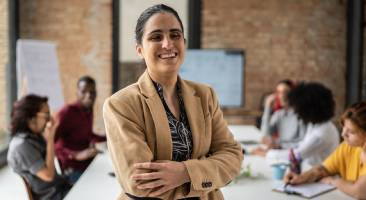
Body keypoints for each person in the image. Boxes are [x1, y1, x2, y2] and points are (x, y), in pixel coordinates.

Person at [103, 4, 243, 200]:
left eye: (175, 35)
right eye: (156, 37)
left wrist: (185, 172)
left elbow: (232, 156)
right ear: (140, 50)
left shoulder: (205, 95)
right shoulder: (121, 105)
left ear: (184, 43)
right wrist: (209, 175)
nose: (168, 44)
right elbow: (140, 184)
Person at [284, 98, 366, 199]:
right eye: (344, 127)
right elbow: (322, 170)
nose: (343, 134)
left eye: (351, 132)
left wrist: (333, 181)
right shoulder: (349, 146)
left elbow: (361, 192)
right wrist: (300, 178)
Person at [254, 82, 340, 166]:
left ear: (310, 108)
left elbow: (297, 155)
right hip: (309, 170)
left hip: (318, 176)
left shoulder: (321, 134)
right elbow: (302, 145)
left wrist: (268, 153)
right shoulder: (315, 125)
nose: (297, 112)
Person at [7, 94, 70, 200]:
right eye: (46, 115)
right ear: (31, 118)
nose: (50, 120)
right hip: (54, 196)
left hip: (61, 188)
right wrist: (50, 138)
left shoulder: (33, 136)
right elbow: (49, 176)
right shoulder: (22, 146)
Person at [55, 76, 106, 184]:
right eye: (84, 92)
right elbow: (52, 144)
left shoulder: (88, 110)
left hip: (87, 163)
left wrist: (109, 137)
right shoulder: (67, 112)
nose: (89, 96)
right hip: (71, 169)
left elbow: (88, 134)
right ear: (77, 92)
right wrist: (76, 155)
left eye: (92, 92)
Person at [259, 79, 305, 149]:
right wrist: (267, 108)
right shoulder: (278, 114)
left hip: (293, 156)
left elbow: (303, 143)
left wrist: (279, 145)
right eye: (279, 92)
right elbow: (265, 135)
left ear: (293, 93)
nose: (282, 96)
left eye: (286, 92)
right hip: (280, 153)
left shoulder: (301, 115)